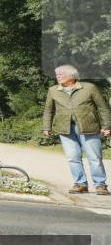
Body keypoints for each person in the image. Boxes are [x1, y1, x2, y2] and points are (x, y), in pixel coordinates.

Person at [42, 64, 111, 195]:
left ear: (72, 76)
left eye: (61, 74)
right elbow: (48, 110)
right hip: (66, 129)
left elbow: (103, 108)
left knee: (94, 158)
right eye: (57, 74)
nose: (58, 76)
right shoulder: (53, 90)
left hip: (89, 127)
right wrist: (46, 127)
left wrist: (107, 126)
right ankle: (80, 184)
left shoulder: (89, 88)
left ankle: (100, 185)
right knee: (73, 157)